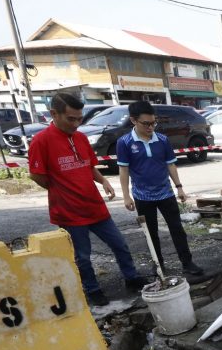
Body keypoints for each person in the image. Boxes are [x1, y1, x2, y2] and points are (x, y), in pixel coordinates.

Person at [28, 93, 149, 307]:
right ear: (54, 114)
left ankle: (132, 278)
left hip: (95, 207)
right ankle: (93, 290)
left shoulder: (81, 138)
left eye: (79, 119)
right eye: (71, 119)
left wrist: (103, 181)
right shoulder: (41, 141)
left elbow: (88, 165)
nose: (76, 124)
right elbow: (36, 175)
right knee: (82, 256)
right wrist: (59, 190)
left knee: (119, 244)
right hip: (68, 212)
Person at [117, 100, 204, 276]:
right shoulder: (124, 142)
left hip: (166, 193)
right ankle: (158, 266)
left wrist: (179, 187)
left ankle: (187, 263)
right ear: (134, 120)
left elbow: (171, 165)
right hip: (142, 196)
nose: (151, 127)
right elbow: (123, 169)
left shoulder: (162, 140)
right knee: (151, 234)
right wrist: (126, 196)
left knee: (177, 229)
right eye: (146, 124)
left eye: (153, 123)